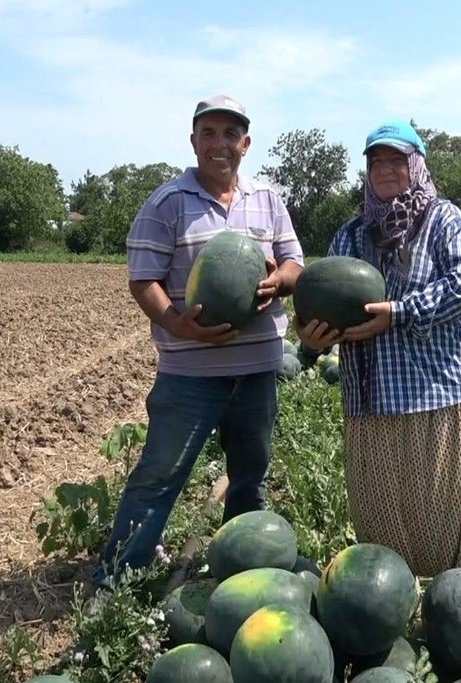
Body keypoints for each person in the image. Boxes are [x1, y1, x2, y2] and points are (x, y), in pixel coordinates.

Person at [87, 95, 305, 599]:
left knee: (250, 474)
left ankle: (242, 570)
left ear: (245, 145)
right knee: (159, 474)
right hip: (189, 374)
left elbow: (295, 262)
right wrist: (175, 323)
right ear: (193, 141)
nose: (219, 143)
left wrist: (283, 281)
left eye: (230, 134)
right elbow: (143, 279)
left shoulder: (268, 201)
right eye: (208, 133)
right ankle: (117, 579)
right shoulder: (166, 203)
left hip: (256, 370)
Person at [295, 119, 461, 578]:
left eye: (396, 160)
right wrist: (310, 335)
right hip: (370, 402)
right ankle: (392, 612)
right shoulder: (349, 236)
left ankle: (458, 608)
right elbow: (322, 295)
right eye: (376, 161)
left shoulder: (445, 220)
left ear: (416, 165)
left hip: (437, 398)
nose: (385, 169)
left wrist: (400, 311)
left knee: (448, 521)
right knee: (384, 526)